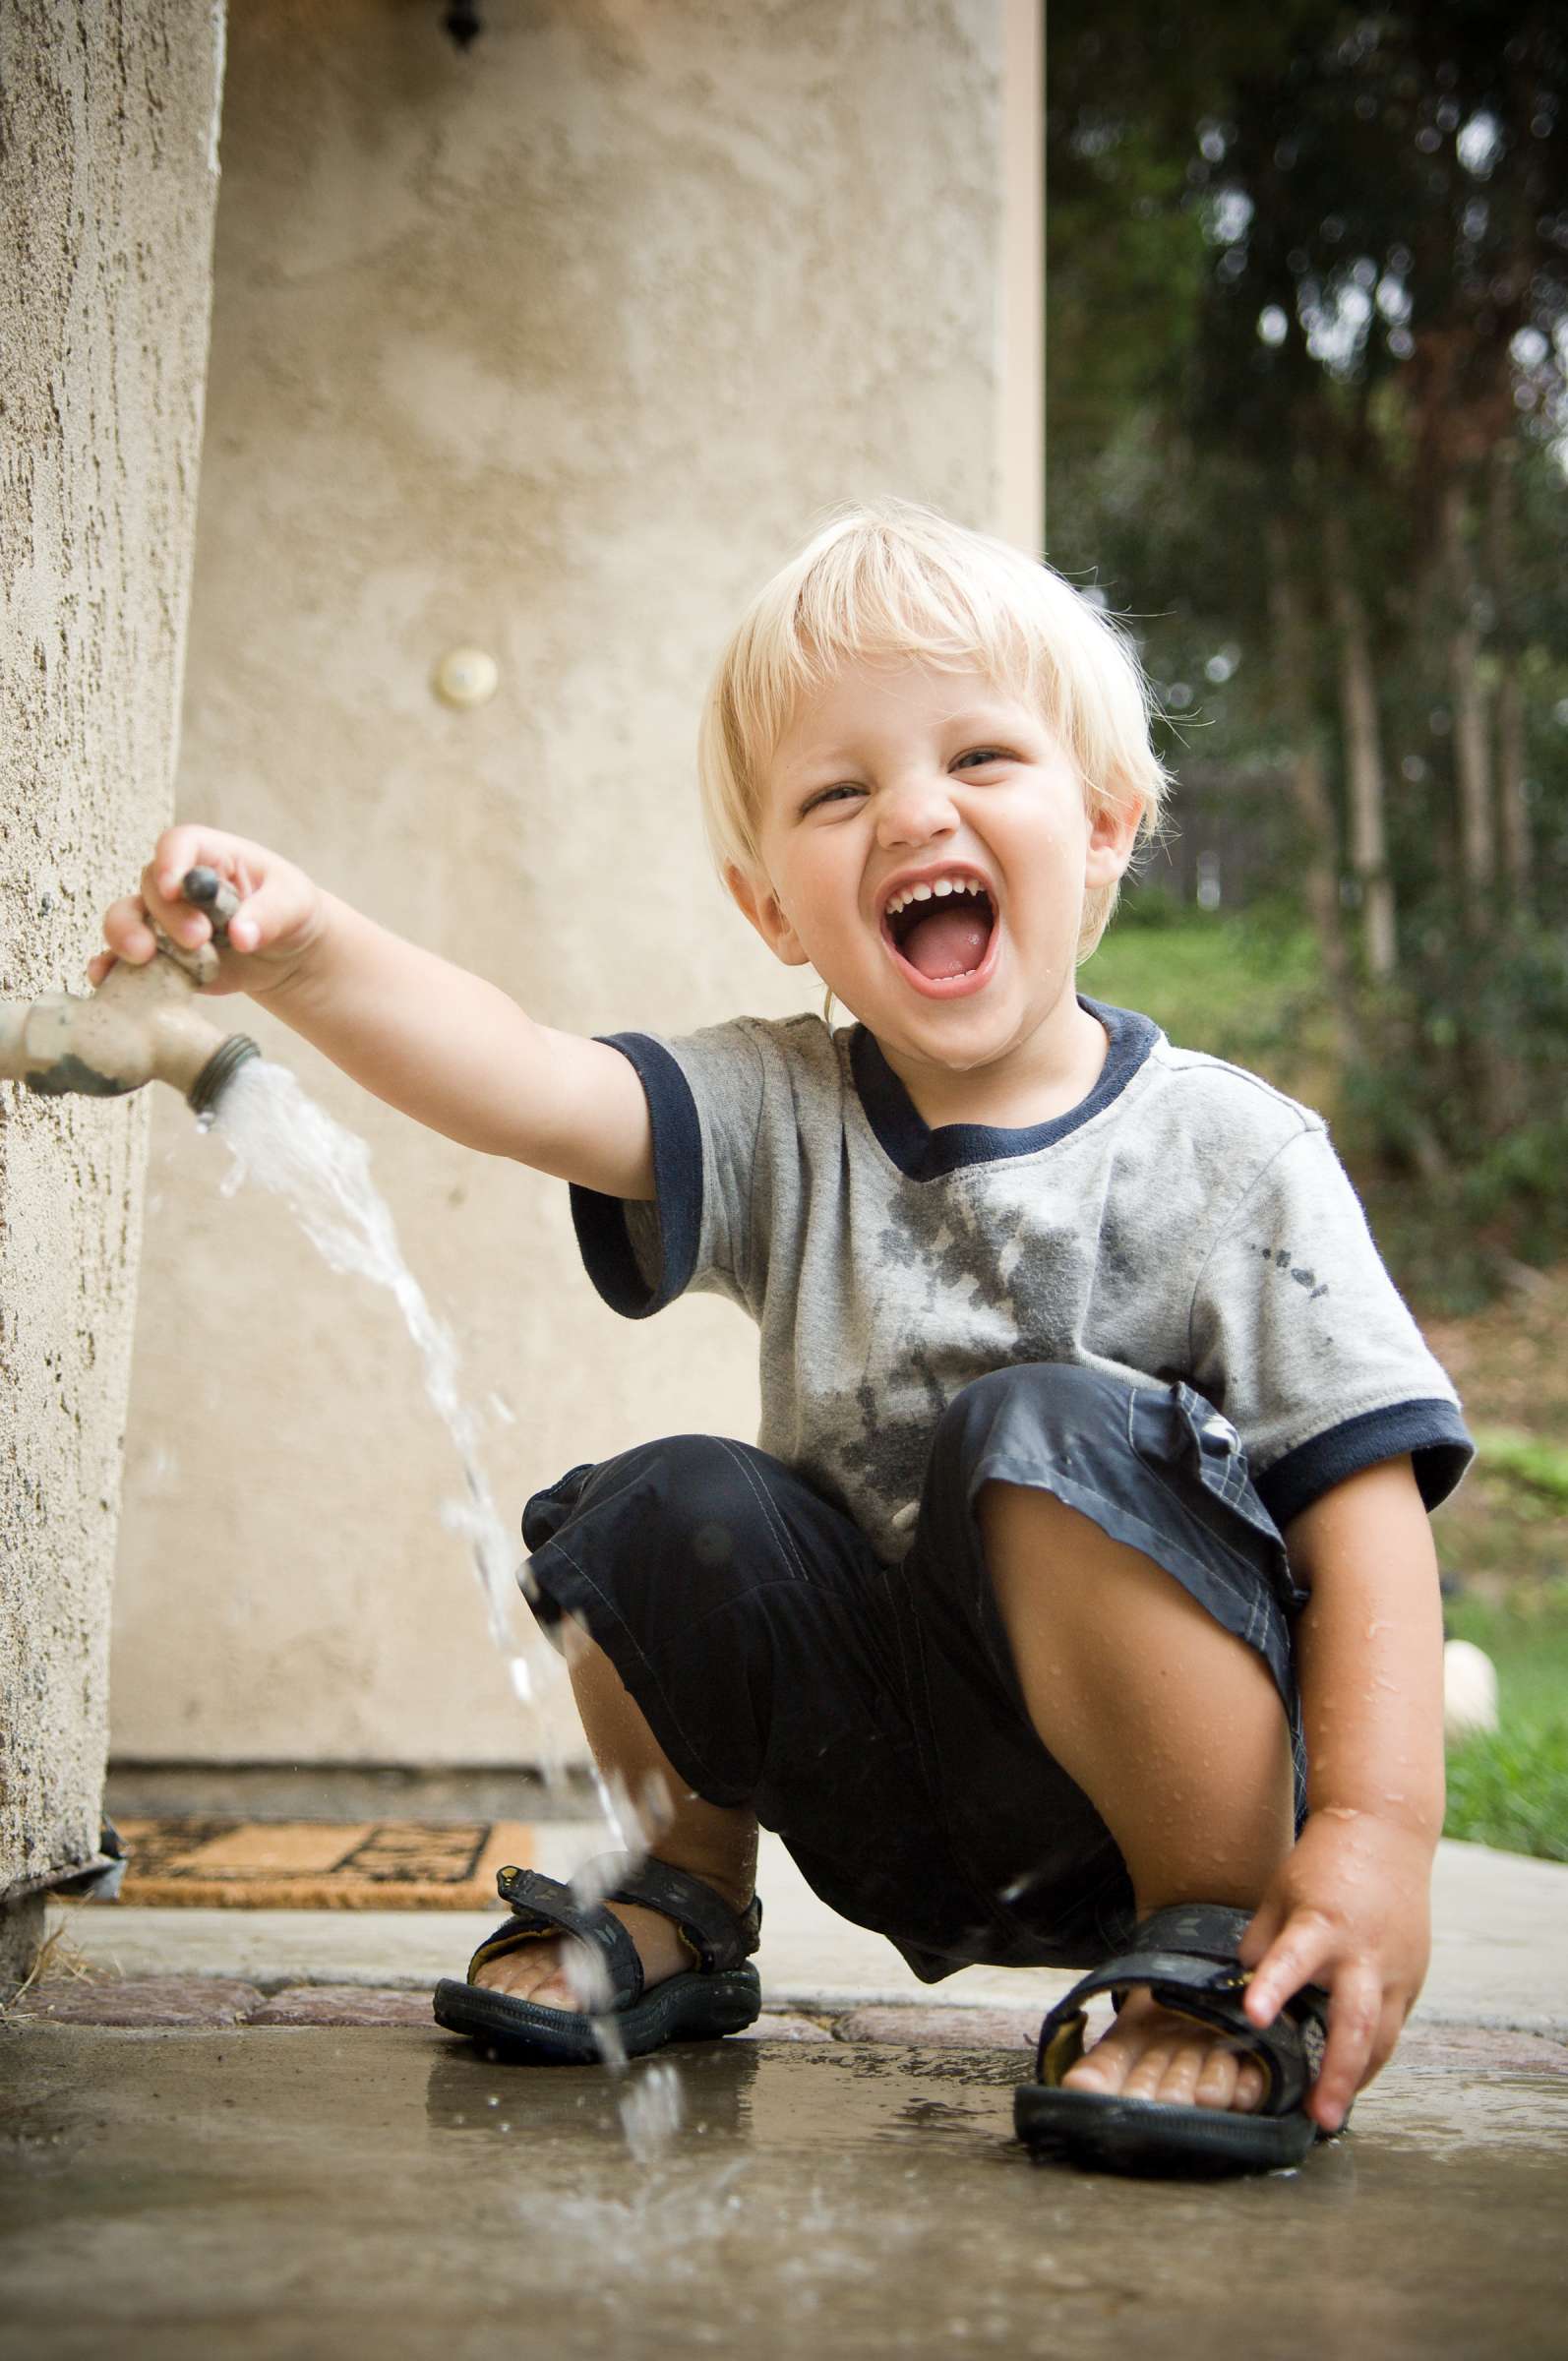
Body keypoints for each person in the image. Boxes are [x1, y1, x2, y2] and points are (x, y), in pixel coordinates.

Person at [96, 501, 1471, 2176]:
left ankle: (1214, 1955)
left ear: (1108, 826)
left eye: (980, 756)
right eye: (839, 790)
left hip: (1163, 1791)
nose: (912, 809)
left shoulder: (1229, 1156)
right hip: (885, 1784)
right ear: (775, 911)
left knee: (1037, 1428)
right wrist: (306, 949)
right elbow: (529, 1078)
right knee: (657, 1503)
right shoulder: (782, 1107)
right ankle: (682, 1898)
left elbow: (1363, 1514)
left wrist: (1374, 1840)